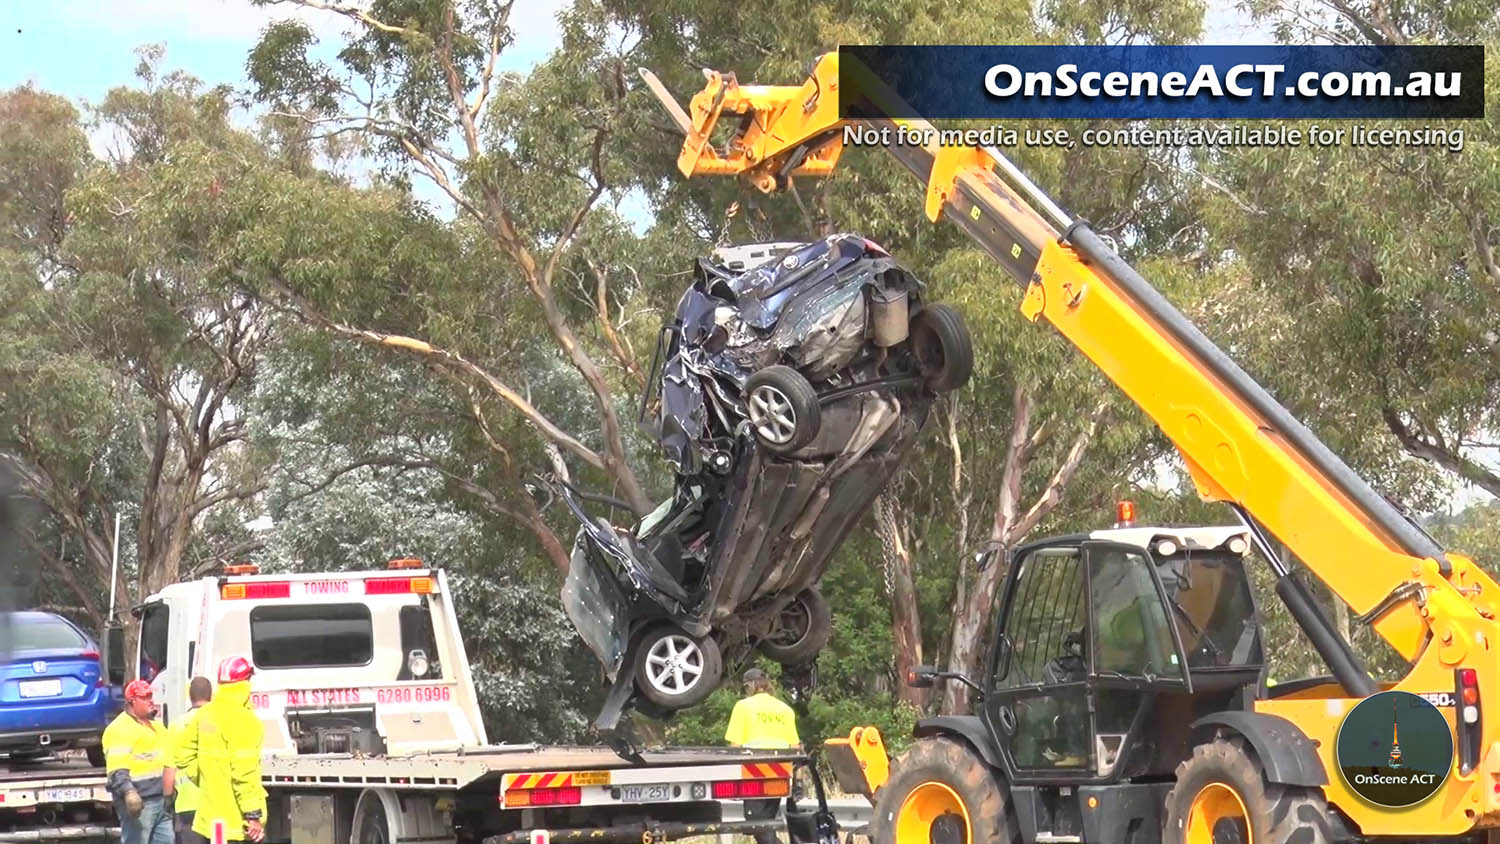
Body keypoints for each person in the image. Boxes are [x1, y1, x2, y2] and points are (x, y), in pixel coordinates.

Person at [191, 657, 267, 843]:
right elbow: (244, 773)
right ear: (245, 682)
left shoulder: (204, 714)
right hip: (236, 823)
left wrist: (206, 778)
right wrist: (253, 815)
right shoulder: (245, 720)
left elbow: (182, 752)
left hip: (211, 820)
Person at [725, 668, 801, 844]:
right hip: (780, 771)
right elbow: (795, 746)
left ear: (750, 686)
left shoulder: (743, 706)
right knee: (765, 821)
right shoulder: (785, 709)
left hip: (753, 770)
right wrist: (797, 779)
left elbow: (735, 745)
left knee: (756, 823)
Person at [103, 680, 175, 844]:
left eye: (151, 696)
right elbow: (116, 769)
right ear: (132, 701)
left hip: (160, 800)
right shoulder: (119, 729)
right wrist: (129, 793)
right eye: (145, 697)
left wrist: (170, 793)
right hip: (140, 803)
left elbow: (168, 760)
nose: (151, 700)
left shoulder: (157, 727)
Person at [171, 676, 213, 844]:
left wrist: (167, 799)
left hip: (186, 804)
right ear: (211, 695)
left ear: (190, 696)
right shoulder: (218, 721)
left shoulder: (176, 725)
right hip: (217, 804)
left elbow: (170, 765)